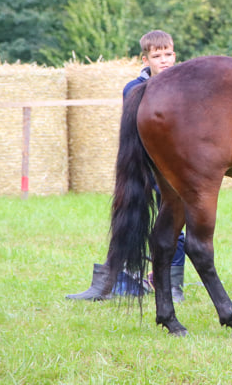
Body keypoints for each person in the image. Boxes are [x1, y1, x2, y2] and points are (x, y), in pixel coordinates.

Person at [67, 30, 187, 301]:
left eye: (168, 54)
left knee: (173, 222)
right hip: (143, 165)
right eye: (157, 56)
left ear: (175, 55)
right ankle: (116, 276)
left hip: (172, 166)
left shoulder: (183, 87)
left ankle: (171, 283)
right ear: (145, 59)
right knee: (131, 215)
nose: (164, 60)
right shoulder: (133, 89)